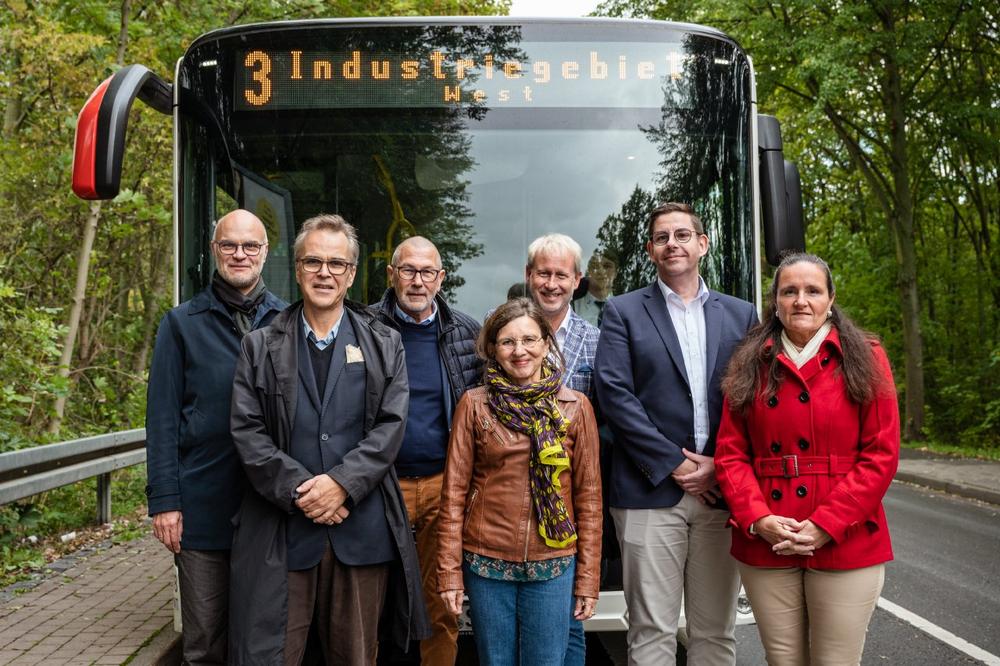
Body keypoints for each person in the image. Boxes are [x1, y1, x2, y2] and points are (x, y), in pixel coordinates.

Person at [227, 214, 428, 665]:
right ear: (297, 269)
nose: (325, 273)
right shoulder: (258, 345)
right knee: (271, 656)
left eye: (336, 263)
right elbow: (247, 431)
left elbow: (391, 426)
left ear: (351, 274)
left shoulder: (385, 343)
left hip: (360, 531)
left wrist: (341, 484)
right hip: (282, 532)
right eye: (313, 261)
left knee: (355, 657)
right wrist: (304, 490)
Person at [714, 252, 899, 665]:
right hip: (769, 539)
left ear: (830, 299)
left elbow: (881, 454)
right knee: (782, 660)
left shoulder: (866, 356)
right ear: (775, 302)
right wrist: (757, 517)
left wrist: (826, 524)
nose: (801, 300)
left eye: (812, 291)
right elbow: (730, 453)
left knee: (835, 660)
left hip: (845, 536)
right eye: (789, 291)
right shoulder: (750, 360)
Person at [594, 202, 757, 665]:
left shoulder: (742, 314)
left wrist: (720, 466)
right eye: (662, 238)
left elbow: (752, 400)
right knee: (650, 633)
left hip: (720, 494)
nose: (673, 244)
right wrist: (676, 464)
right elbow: (614, 395)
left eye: (682, 235)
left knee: (715, 633)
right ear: (650, 250)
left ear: (702, 244)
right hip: (647, 492)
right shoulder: (623, 311)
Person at [145, 209, 286, 665]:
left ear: (265, 252)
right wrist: (165, 501)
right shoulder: (181, 324)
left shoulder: (288, 320)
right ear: (214, 251)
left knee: (263, 641)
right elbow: (162, 419)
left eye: (250, 246)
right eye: (229, 245)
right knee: (204, 643)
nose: (239, 254)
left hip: (271, 511)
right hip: (202, 510)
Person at [437, 298, 603, 666]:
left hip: (553, 564)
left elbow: (589, 501)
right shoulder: (474, 404)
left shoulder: (575, 407)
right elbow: (453, 496)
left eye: (529, 340)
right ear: (493, 349)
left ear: (546, 343)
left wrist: (588, 579)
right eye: (508, 342)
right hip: (486, 562)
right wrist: (449, 574)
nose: (519, 351)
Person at [372, 236, 482, 665]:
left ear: (441, 278)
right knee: (376, 602)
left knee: (442, 602)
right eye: (408, 270)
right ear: (392, 275)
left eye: (427, 272)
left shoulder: (466, 333)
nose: (417, 281)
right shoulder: (364, 327)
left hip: (444, 487)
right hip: (382, 487)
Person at [524, 233, 601, 664]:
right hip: (513, 494)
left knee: (569, 615)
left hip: (569, 496)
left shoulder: (597, 340)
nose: (551, 284)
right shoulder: (503, 333)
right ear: (528, 276)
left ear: (577, 280)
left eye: (561, 275)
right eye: (543, 273)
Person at [573, 250, 617, 328]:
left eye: (607, 266)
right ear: (588, 272)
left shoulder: (625, 308)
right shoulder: (571, 308)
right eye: (595, 266)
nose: (601, 271)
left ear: (615, 273)